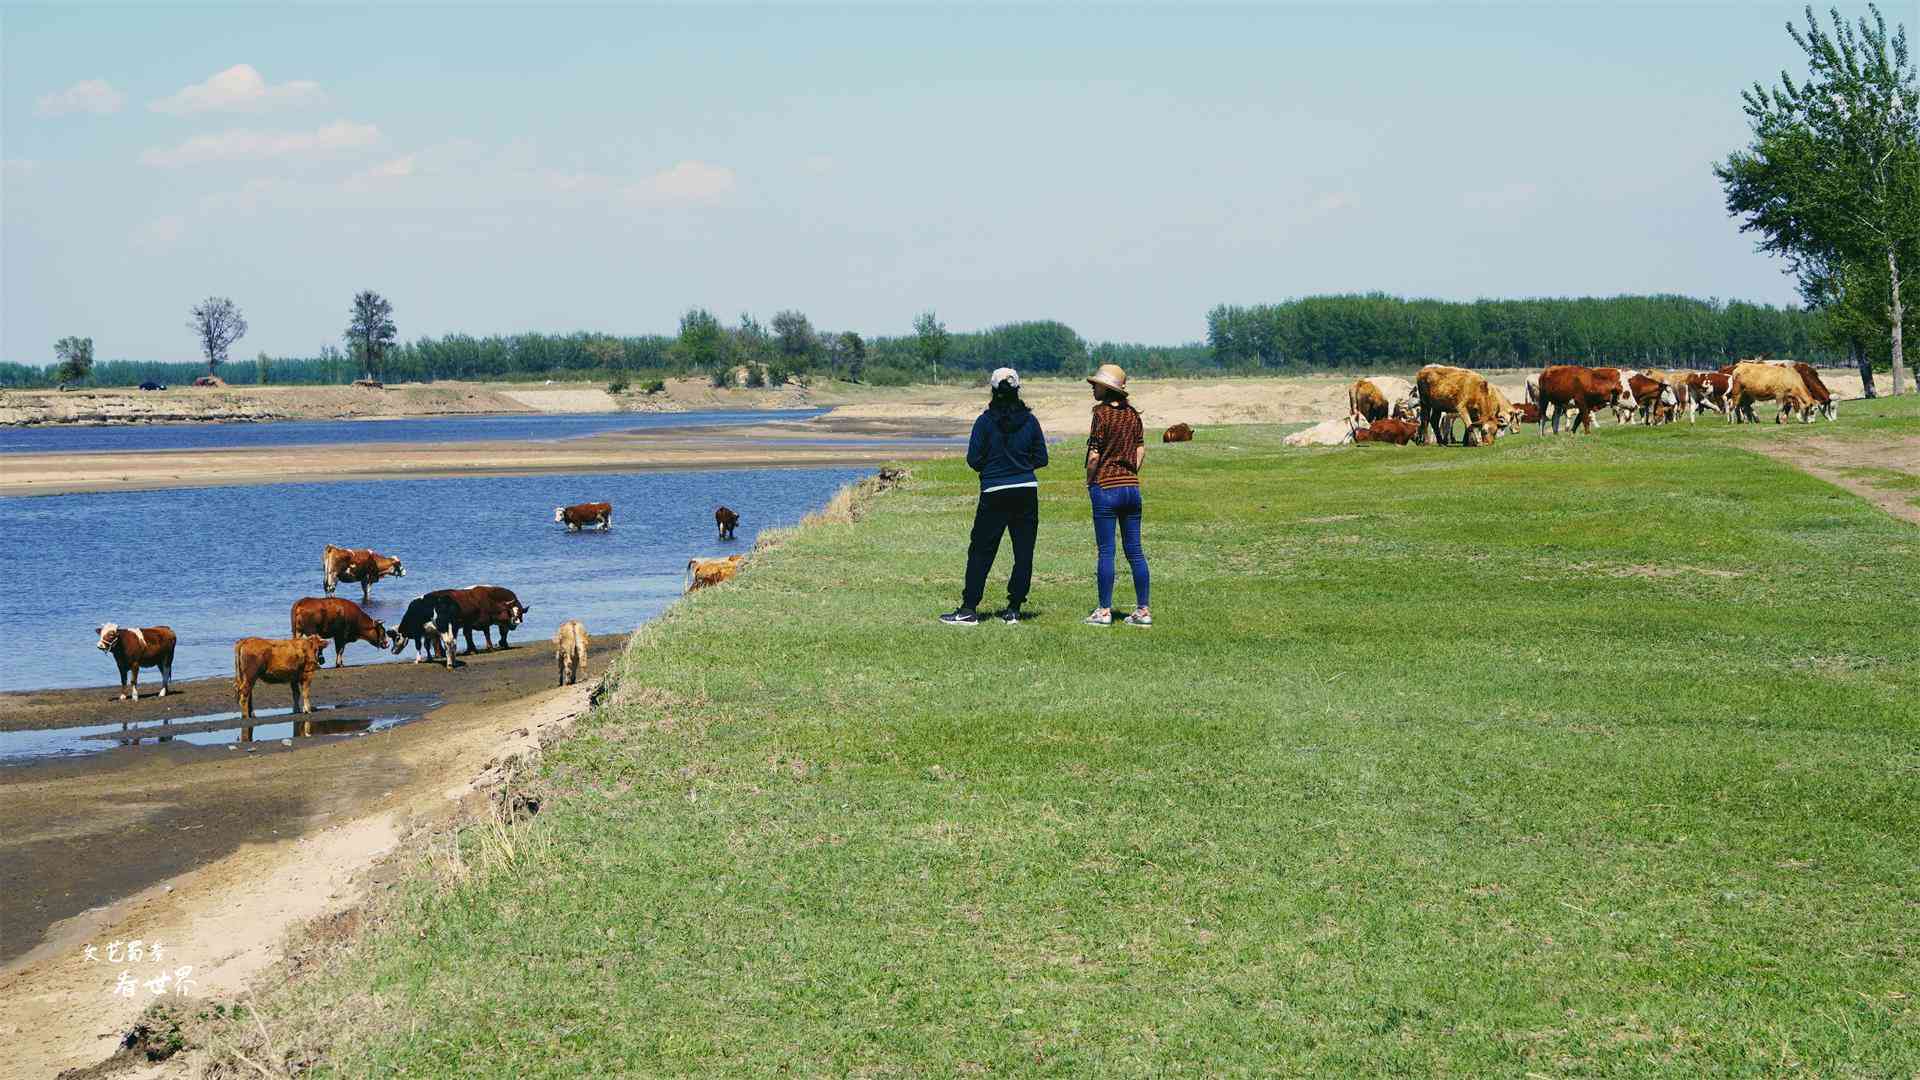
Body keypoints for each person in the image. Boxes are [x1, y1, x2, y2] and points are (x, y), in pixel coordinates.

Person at [941, 368, 1049, 626]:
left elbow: (973, 459)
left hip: (994, 491)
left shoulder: (985, 421)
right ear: (1018, 390)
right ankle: (1013, 608)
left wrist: (993, 469)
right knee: (1023, 551)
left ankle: (969, 609)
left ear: (992, 390)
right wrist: (1021, 466)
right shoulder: (1030, 421)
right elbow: (1041, 459)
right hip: (1025, 489)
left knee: (981, 550)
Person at [1083, 363, 1151, 626]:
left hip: (1106, 488)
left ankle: (1103, 611)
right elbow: (1141, 450)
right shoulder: (1133, 415)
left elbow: (1094, 456)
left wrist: (1090, 482)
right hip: (1131, 488)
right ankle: (1143, 611)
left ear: (1107, 388)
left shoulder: (1100, 415)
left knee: (1106, 552)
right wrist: (1131, 472)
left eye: (1096, 384)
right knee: (1135, 551)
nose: (1092, 387)